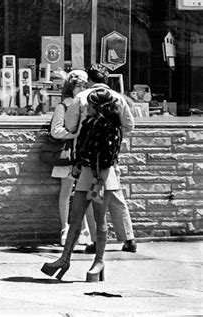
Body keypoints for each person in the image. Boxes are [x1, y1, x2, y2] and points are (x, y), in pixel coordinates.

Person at [41, 87, 125, 282]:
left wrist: (99, 179)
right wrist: (77, 165)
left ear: (100, 107)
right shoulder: (87, 123)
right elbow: (80, 147)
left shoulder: (111, 127)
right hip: (86, 172)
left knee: (99, 218)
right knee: (76, 216)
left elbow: (109, 156)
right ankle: (65, 258)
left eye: (91, 105)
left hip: (101, 176)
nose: (87, 107)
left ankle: (99, 260)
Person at [67, 65, 137, 253]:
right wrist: (112, 137)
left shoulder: (81, 98)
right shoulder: (118, 98)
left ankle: (97, 243)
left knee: (90, 196)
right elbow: (129, 124)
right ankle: (128, 237)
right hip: (109, 156)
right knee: (114, 194)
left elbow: (70, 124)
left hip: (87, 155)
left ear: (89, 79)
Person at [49, 70, 91, 246]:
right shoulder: (63, 106)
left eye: (84, 85)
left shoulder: (88, 105)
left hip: (84, 155)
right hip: (68, 156)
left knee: (84, 193)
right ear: (70, 88)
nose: (81, 89)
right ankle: (64, 229)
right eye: (77, 86)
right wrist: (75, 135)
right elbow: (56, 130)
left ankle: (85, 231)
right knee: (66, 193)